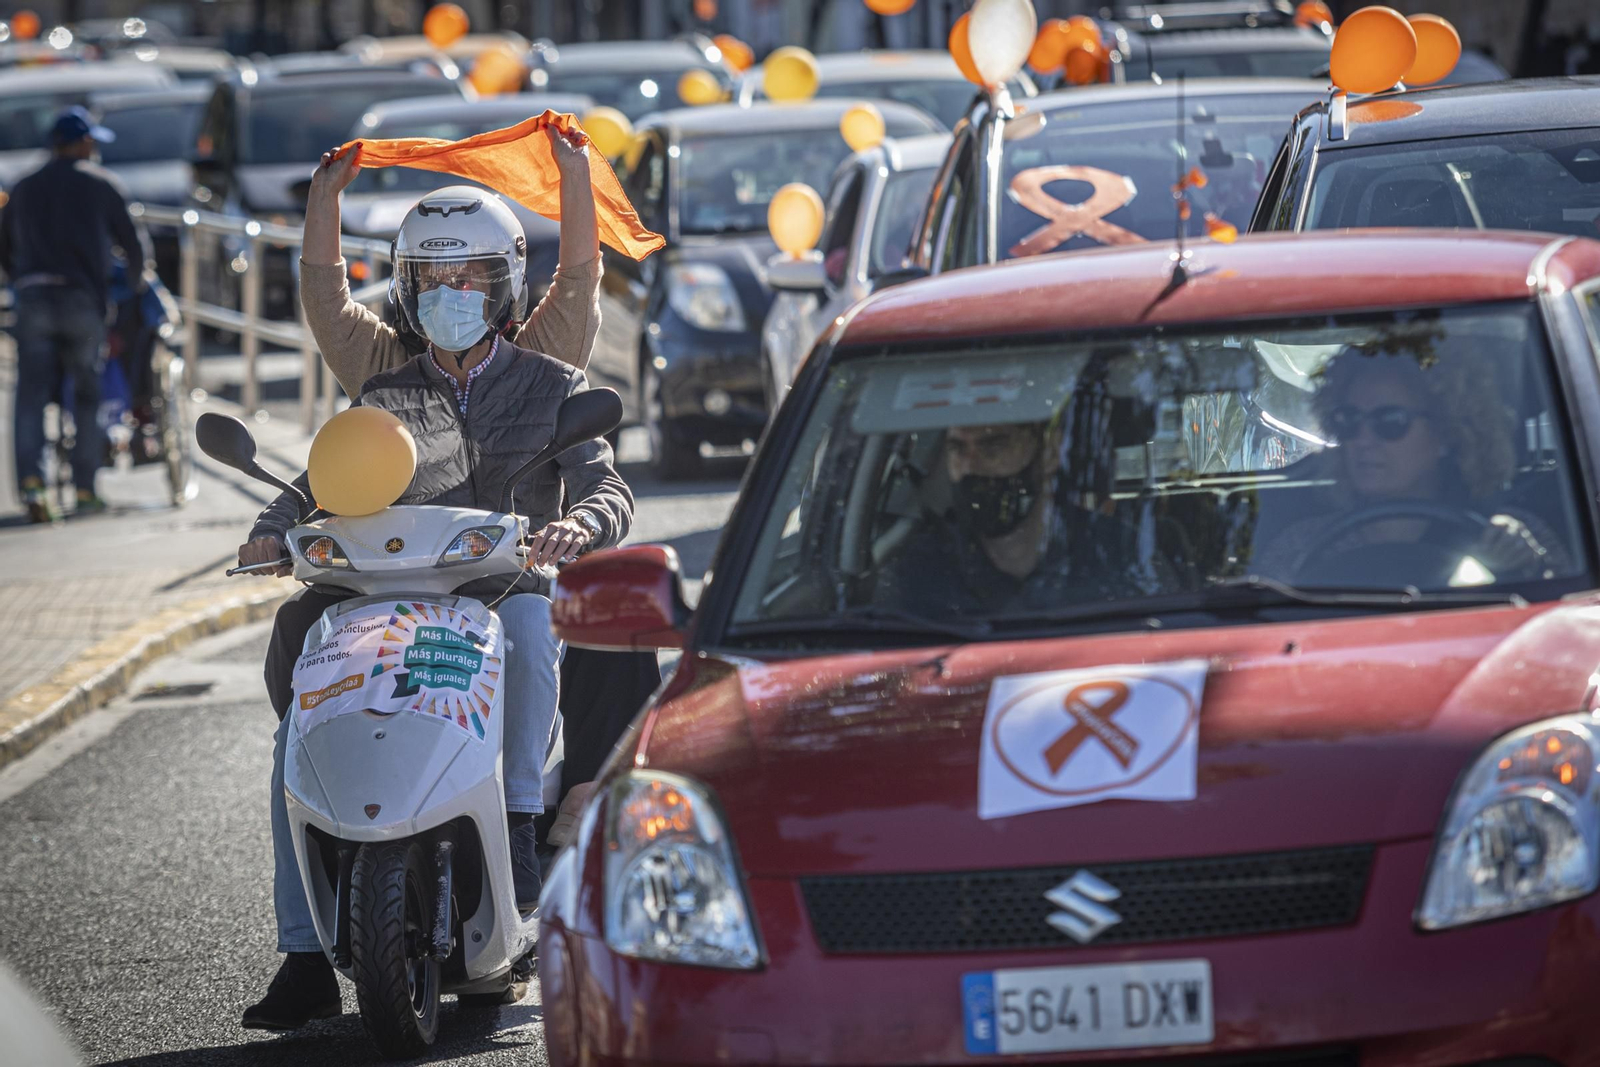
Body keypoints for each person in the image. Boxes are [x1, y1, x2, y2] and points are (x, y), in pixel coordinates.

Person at [235, 127, 619, 1030]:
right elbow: (323, 469)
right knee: (299, 720)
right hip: (385, 603)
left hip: (502, 592)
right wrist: (270, 528)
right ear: (407, 292)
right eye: (433, 283)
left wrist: (578, 522)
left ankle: (519, 825)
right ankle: (302, 946)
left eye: (472, 280)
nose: (452, 298)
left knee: (532, 635)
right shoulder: (383, 382)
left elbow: (603, 475)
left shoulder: (550, 372)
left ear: (505, 285)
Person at [1255, 347, 1571, 585]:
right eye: (1348, 421)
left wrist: (1526, 564)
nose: (1363, 440)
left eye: (1390, 422)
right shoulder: (1300, 546)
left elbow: (1568, 626)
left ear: (1447, 433)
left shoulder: (1508, 536)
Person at [875, 387, 1173, 615]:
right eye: (957, 449)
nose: (970, 467)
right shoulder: (920, 573)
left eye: (993, 445)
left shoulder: (1119, 555)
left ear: (1049, 452)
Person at [0, 106, 153, 522]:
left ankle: (32, 485)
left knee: (30, 395)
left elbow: (3, 248)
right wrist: (132, 290)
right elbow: (134, 247)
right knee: (86, 395)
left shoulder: (23, 187)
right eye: (91, 141)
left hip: (33, 298)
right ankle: (85, 489)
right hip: (83, 301)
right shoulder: (102, 184)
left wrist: (19, 280)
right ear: (82, 143)